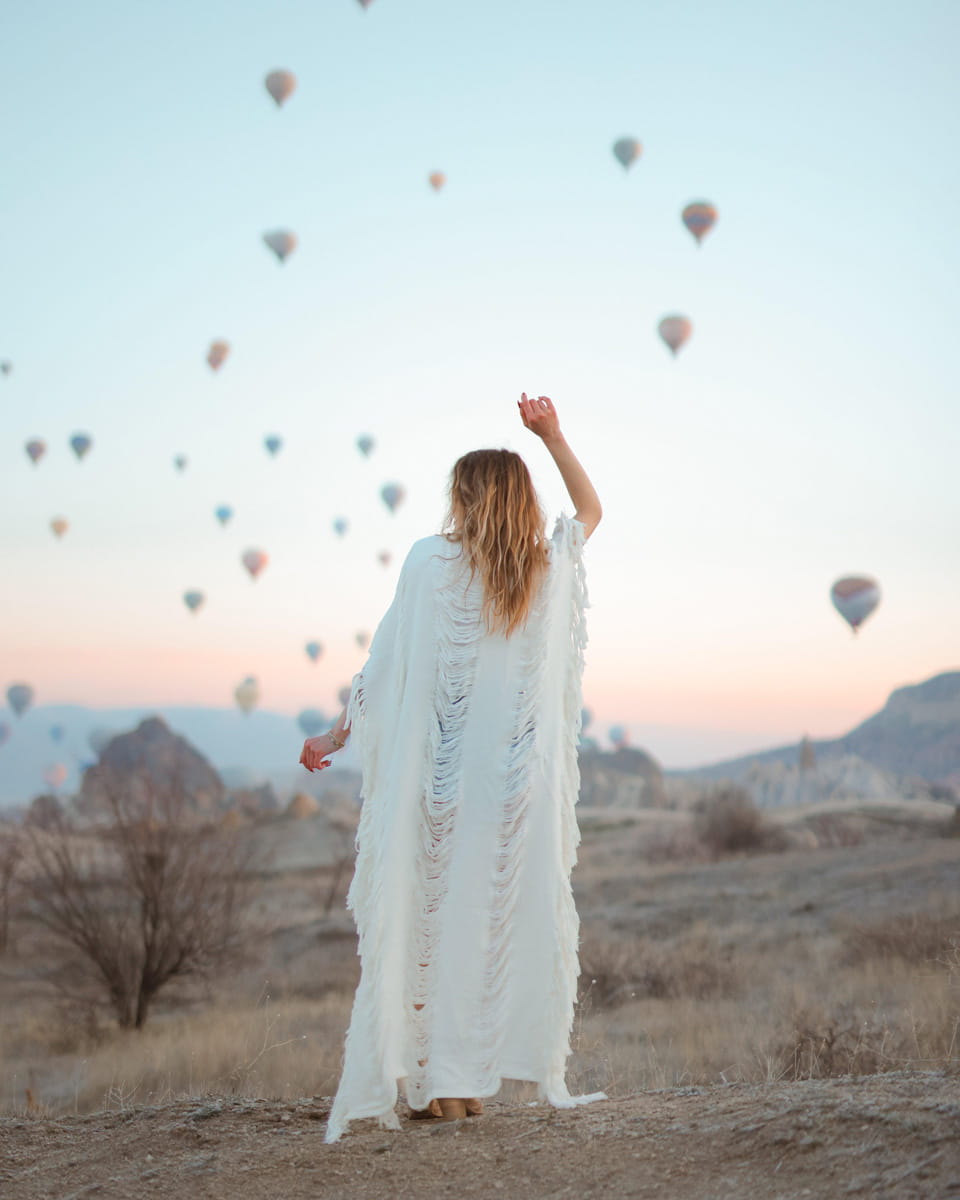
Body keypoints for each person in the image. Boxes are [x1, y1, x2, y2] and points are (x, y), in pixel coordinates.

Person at [300, 394, 604, 1142]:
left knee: (428, 929)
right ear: (522, 500)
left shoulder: (430, 562)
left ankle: (440, 1084)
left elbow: (387, 663)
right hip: (515, 792)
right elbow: (592, 511)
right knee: (484, 926)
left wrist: (336, 735)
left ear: (465, 498)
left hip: (441, 790)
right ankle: (462, 1084)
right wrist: (554, 437)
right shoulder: (546, 566)